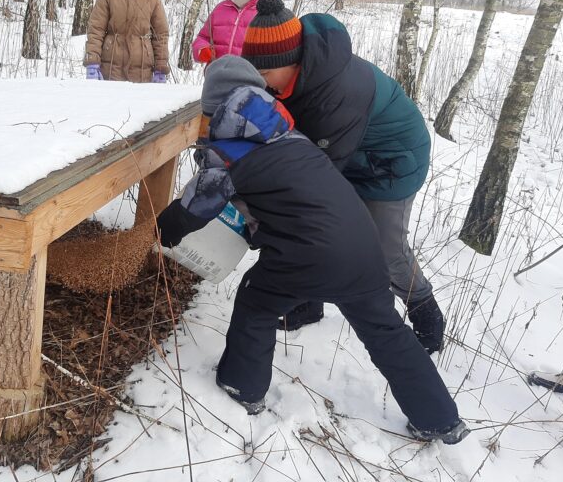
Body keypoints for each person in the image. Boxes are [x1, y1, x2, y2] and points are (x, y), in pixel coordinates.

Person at [155, 55, 469, 444]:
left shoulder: (229, 153)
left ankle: (242, 387)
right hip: (364, 249)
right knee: (386, 331)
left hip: (308, 256)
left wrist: (159, 232)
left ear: (215, 109)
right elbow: (293, 200)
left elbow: (194, 208)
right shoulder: (292, 136)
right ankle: (440, 419)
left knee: (256, 303)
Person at [240, 0, 444, 354]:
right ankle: (309, 302)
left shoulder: (335, 93)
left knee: (384, 246)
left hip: (392, 160)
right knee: (317, 229)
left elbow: (314, 186)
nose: (261, 81)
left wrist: (268, 216)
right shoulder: (293, 78)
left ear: (291, 60)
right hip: (348, 150)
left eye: (265, 73)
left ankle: (426, 313)